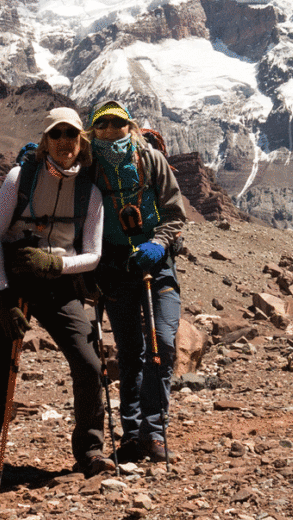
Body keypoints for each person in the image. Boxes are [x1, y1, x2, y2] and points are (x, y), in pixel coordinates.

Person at [0, 107, 112, 494]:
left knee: (89, 363)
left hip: (59, 284)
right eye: (57, 134)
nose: (65, 142)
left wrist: (55, 264)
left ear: (81, 142)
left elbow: (92, 254)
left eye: (72, 135)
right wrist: (4, 296)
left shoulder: (90, 192)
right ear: (45, 141)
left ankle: (90, 452)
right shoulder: (19, 178)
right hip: (13, 281)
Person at [87, 100, 186, 464]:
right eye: (103, 125)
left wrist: (158, 243)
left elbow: (175, 213)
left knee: (162, 344)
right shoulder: (89, 165)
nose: (110, 131)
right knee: (129, 353)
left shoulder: (150, 161)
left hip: (155, 267)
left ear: (130, 127)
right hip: (114, 269)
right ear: (93, 130)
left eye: (118, 124)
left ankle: (154, 431)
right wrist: (32, 164)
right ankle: (132, 434)